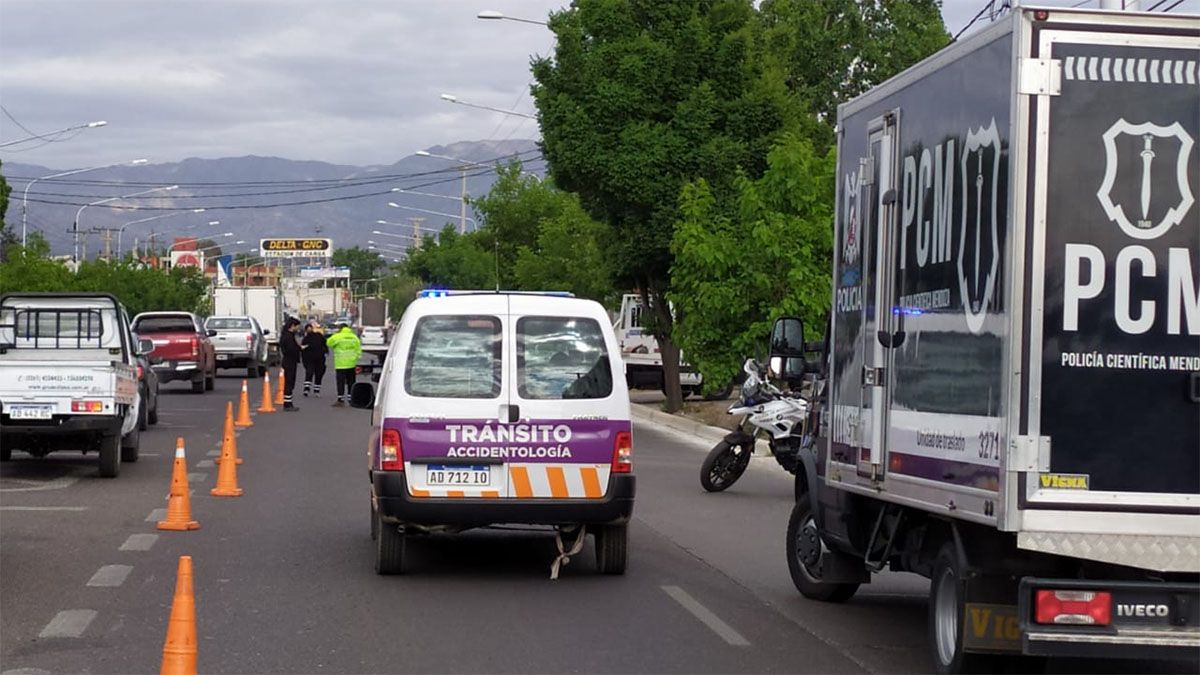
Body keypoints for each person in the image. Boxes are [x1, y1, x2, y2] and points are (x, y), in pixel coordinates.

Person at [325, 322, 362, 407]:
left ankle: (340, 399)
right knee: (351, 382)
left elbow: (328, 343)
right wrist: (356, 358)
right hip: (352, 363)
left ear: (340, 329)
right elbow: (358, 348)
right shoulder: (354, 337)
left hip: (341, 363)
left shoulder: (338, 336)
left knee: (340, 382)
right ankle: (351, 399)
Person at [279, 316, 302, 411]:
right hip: (290, 361)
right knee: (289, 382)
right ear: (292, 326)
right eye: (297, 326)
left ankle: (288, 402)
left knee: (290, 382)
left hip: (288, 361)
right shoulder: (289, 336)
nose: (298, 328)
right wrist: (299, 349)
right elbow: (290, 349)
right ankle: (287, 404)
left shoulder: (286, 335)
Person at [301, 322, 328, 397]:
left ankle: (308, 389)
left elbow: (303, 349)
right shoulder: (318, 336)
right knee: (317, 374)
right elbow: (325, 344)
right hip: (318, 358)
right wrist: (325, 352)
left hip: (312, 359)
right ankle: (315, 390)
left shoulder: (306, 339)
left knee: (310, 373)